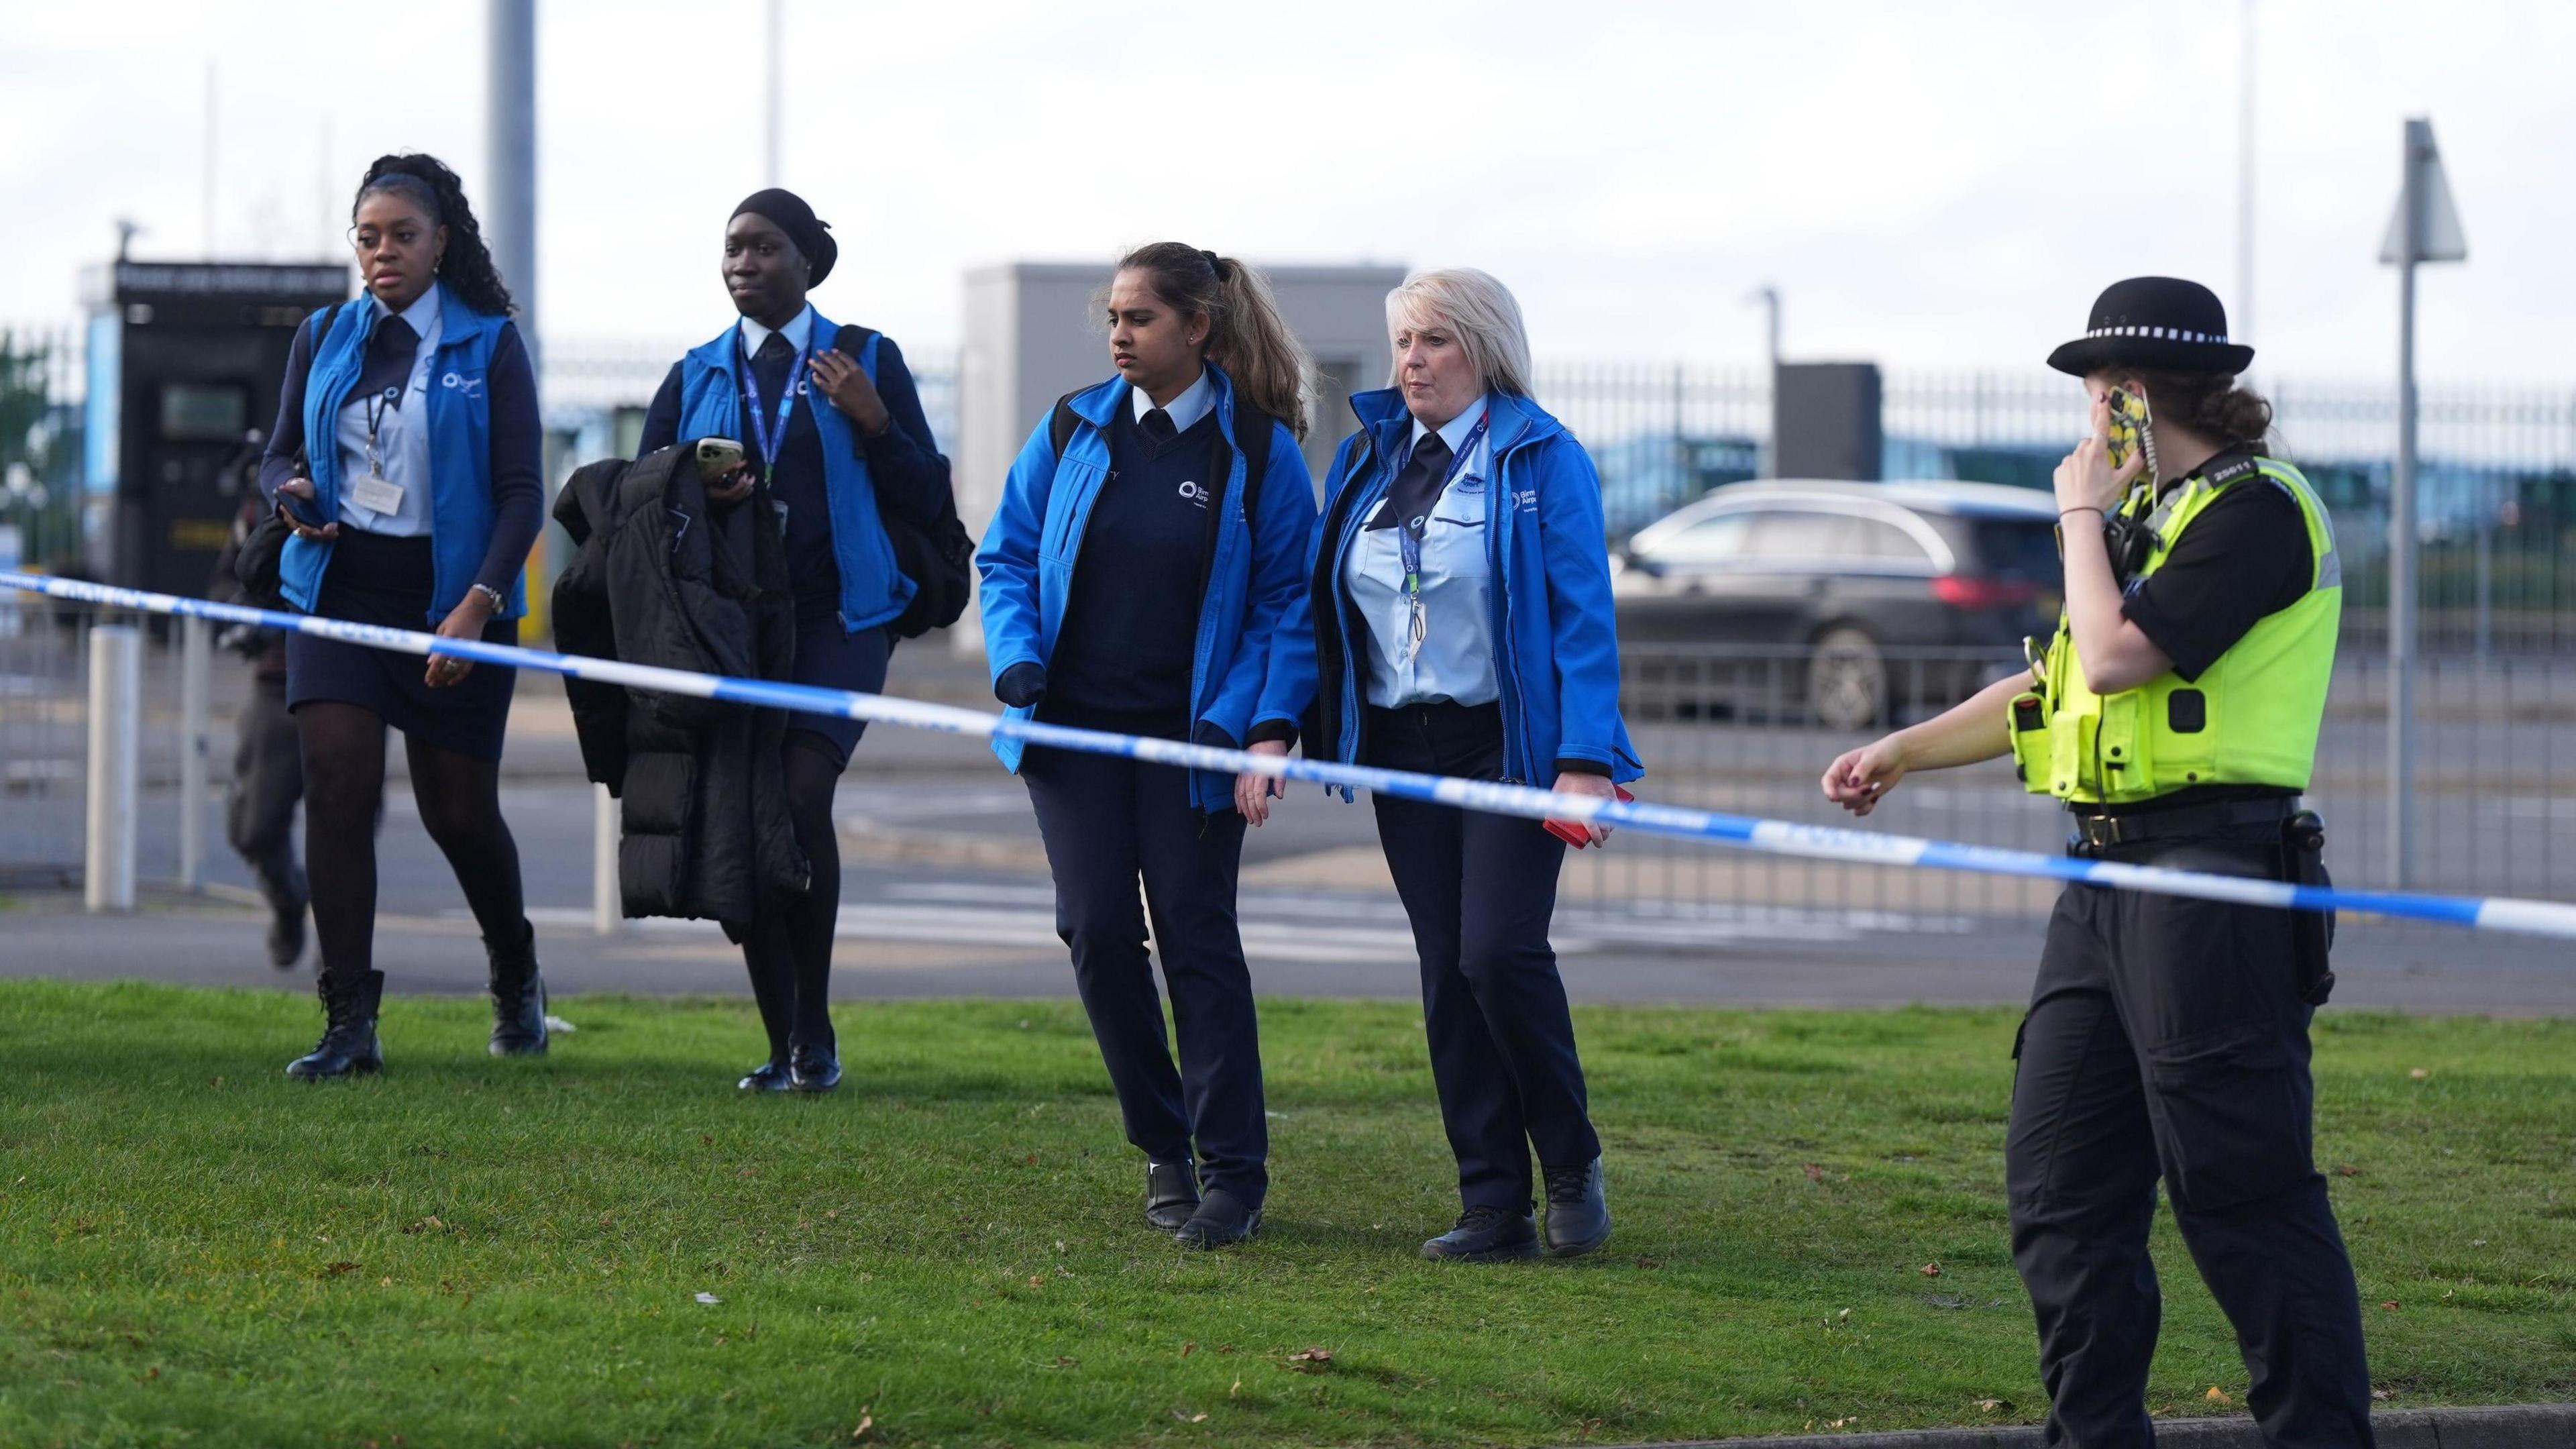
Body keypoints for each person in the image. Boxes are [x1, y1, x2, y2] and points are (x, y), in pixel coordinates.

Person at [1821, 277, 2373, 1445]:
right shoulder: (2149, 518)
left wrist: (2079, 515)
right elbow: (2059, 678)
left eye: (2091, 393)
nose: (2082, 421)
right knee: (2061, 1187)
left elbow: (2123, 659)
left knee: (2242, 1195)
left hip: (2212, 879)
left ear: (2128, 399)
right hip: (2105, 883)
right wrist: (1904, 750)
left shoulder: (2257, 512)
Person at [1279, 268, 1641, 1263]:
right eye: (1403, 342)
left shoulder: (1541, 454)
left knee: (1499, 953)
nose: (1411, 361)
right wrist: (1277, 725)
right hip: (1406, 746)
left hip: (1510, 745)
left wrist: (1583, 759)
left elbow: (1582, 618)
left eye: (1433, 340)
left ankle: (1570, 1164)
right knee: (1447, 971)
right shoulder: (1366, 458)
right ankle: (1493, 1203)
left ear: (1481, 347)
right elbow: (1323, 607)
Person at [976, 243, 1320, 1249]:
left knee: (1196, 943)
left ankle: (1235, 1174)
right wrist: (1017, 663)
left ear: (1197, 330)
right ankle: (1164, 1145)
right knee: (1094, 933)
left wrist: (1253, 723)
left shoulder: (1257, 453)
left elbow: (1286, 602)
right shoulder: (1070, 426)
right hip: (1071, 736)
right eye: (1113, 319)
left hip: (1193, 748)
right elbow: (1004, 556)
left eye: (1140, 319)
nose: (1119, 335)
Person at [638, 189, 951, 1094]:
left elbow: (928, 493)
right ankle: (784, 1042)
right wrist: (693, 487)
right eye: (732, 248)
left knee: (799, 797)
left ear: (807, 261)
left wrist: (874, 420)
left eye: (764, 247)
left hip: (839, 620)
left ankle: (813, 1031)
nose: (743, 262)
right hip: (733, 628)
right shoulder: (696, 371)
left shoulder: (866, 358)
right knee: (745, 814)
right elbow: (634, 497)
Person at [260, 154, 547, 1079]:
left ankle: (515, 967)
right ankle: (349, 1025)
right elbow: (273, 459)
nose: (383, 253)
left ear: (441, 243)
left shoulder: (489, 342)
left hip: (454, 602)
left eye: (403, 236)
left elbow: (519, 496)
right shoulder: (323, 334)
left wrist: (476, 606)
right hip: (341, 591)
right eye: (369, 237)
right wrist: (290, 492)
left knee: (456, 814)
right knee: (338, 782)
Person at [208, 439, 307, 969]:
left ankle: (345, 964)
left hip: (353, 678)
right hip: (277, 680)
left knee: (344, 828)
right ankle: (289, 903)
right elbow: (226, 582)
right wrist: (244, 616)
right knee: (253, 827)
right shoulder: (258, 507)